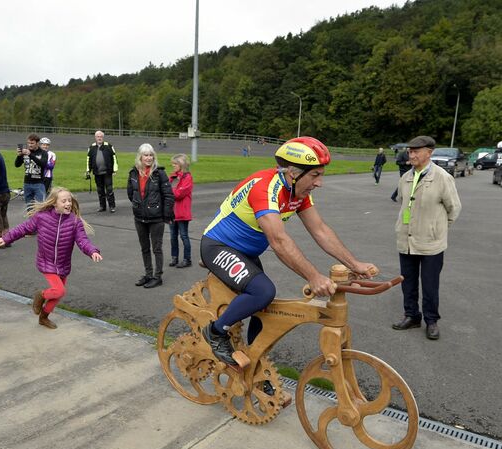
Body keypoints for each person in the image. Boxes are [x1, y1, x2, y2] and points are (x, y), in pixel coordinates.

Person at [200, 137, 377, 366]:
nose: (320, 183)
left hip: (246, 253)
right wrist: (313, 277)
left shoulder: (297, 192)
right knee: (263, 292)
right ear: (293, 173)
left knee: (263, 307)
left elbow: (320, 230)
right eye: (315, 175)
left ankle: (255, 359)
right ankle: (215, 332)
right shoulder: (264, 188)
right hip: (218, 246)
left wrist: (355, 264)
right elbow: (279, 241)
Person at [0, 187, 102, 329]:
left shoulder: (75, 222)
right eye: (64, 201)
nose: (68, 203)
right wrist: (6, 239)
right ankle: (41, 295)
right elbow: (23, 229)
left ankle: (43, 318)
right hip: (47, 262)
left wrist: (92, 251)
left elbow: (82, 241)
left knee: (57, 296)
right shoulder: (42, 217)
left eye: (69, 200)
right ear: (54, 203)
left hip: (63, 264)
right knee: (59, 291)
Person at [392, 135, 461, 340]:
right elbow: (403, 203)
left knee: (430, 284)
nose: (410, 154)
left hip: (431, 243)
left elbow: (454, 208)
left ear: (429, 153)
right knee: (408, 281)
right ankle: (411, 315)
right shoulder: (405, 177)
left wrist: (437, 229)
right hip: (407, 239)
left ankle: (431, 320)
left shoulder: (442, 177)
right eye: (410, 151)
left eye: (415, 151)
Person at [127, 144, 175, 288]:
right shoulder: (133, 173)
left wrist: (165, 214)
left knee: (157, 248)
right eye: (145, 155)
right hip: (139, 217)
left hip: (156, 218)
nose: (148, 158)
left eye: (150, 155)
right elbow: (131, 193)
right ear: (140, 156)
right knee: (144, 248)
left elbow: (168, 195)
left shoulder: (159, 173)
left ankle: (157, 276)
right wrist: (138, 205)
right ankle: (148, 274)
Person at [168, 153, 194, 268]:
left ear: (181, 164)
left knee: (184, 236)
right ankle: (174, 257)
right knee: (173, 237)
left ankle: (187, 259)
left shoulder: (187, 177)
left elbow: (179, 194)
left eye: (175, 164)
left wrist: (169, 191)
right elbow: (166, 189)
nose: (173, 166)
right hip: (172, 212)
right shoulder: (173, 177)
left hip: (182, 212)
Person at [86, 130, 119, 212]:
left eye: (101, 136)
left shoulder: (109, 146)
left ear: (103, 137)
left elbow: (114, 158)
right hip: (97, 173)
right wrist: (88, 170)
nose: (99, 138)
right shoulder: (91, 147)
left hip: (107, 172)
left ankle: (112, 206)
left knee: (109, 190)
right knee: (100, 190)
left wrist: (115, 169)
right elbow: (88, 159)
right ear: (95, 137)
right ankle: (102, 206)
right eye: (98, 136)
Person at [14, 133, 48, 212]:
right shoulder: (25, 152)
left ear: (37, 143)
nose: (30, 145)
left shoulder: (43, 153)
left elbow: (43, 164)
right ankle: (32, 223)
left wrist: (31, 155)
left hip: (39, 183)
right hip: (27, 183)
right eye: (28, 143)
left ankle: (41, 223)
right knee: (29, 208)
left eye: (32, 143)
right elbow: (16, 165)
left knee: (41, 207)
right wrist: (19, 155)